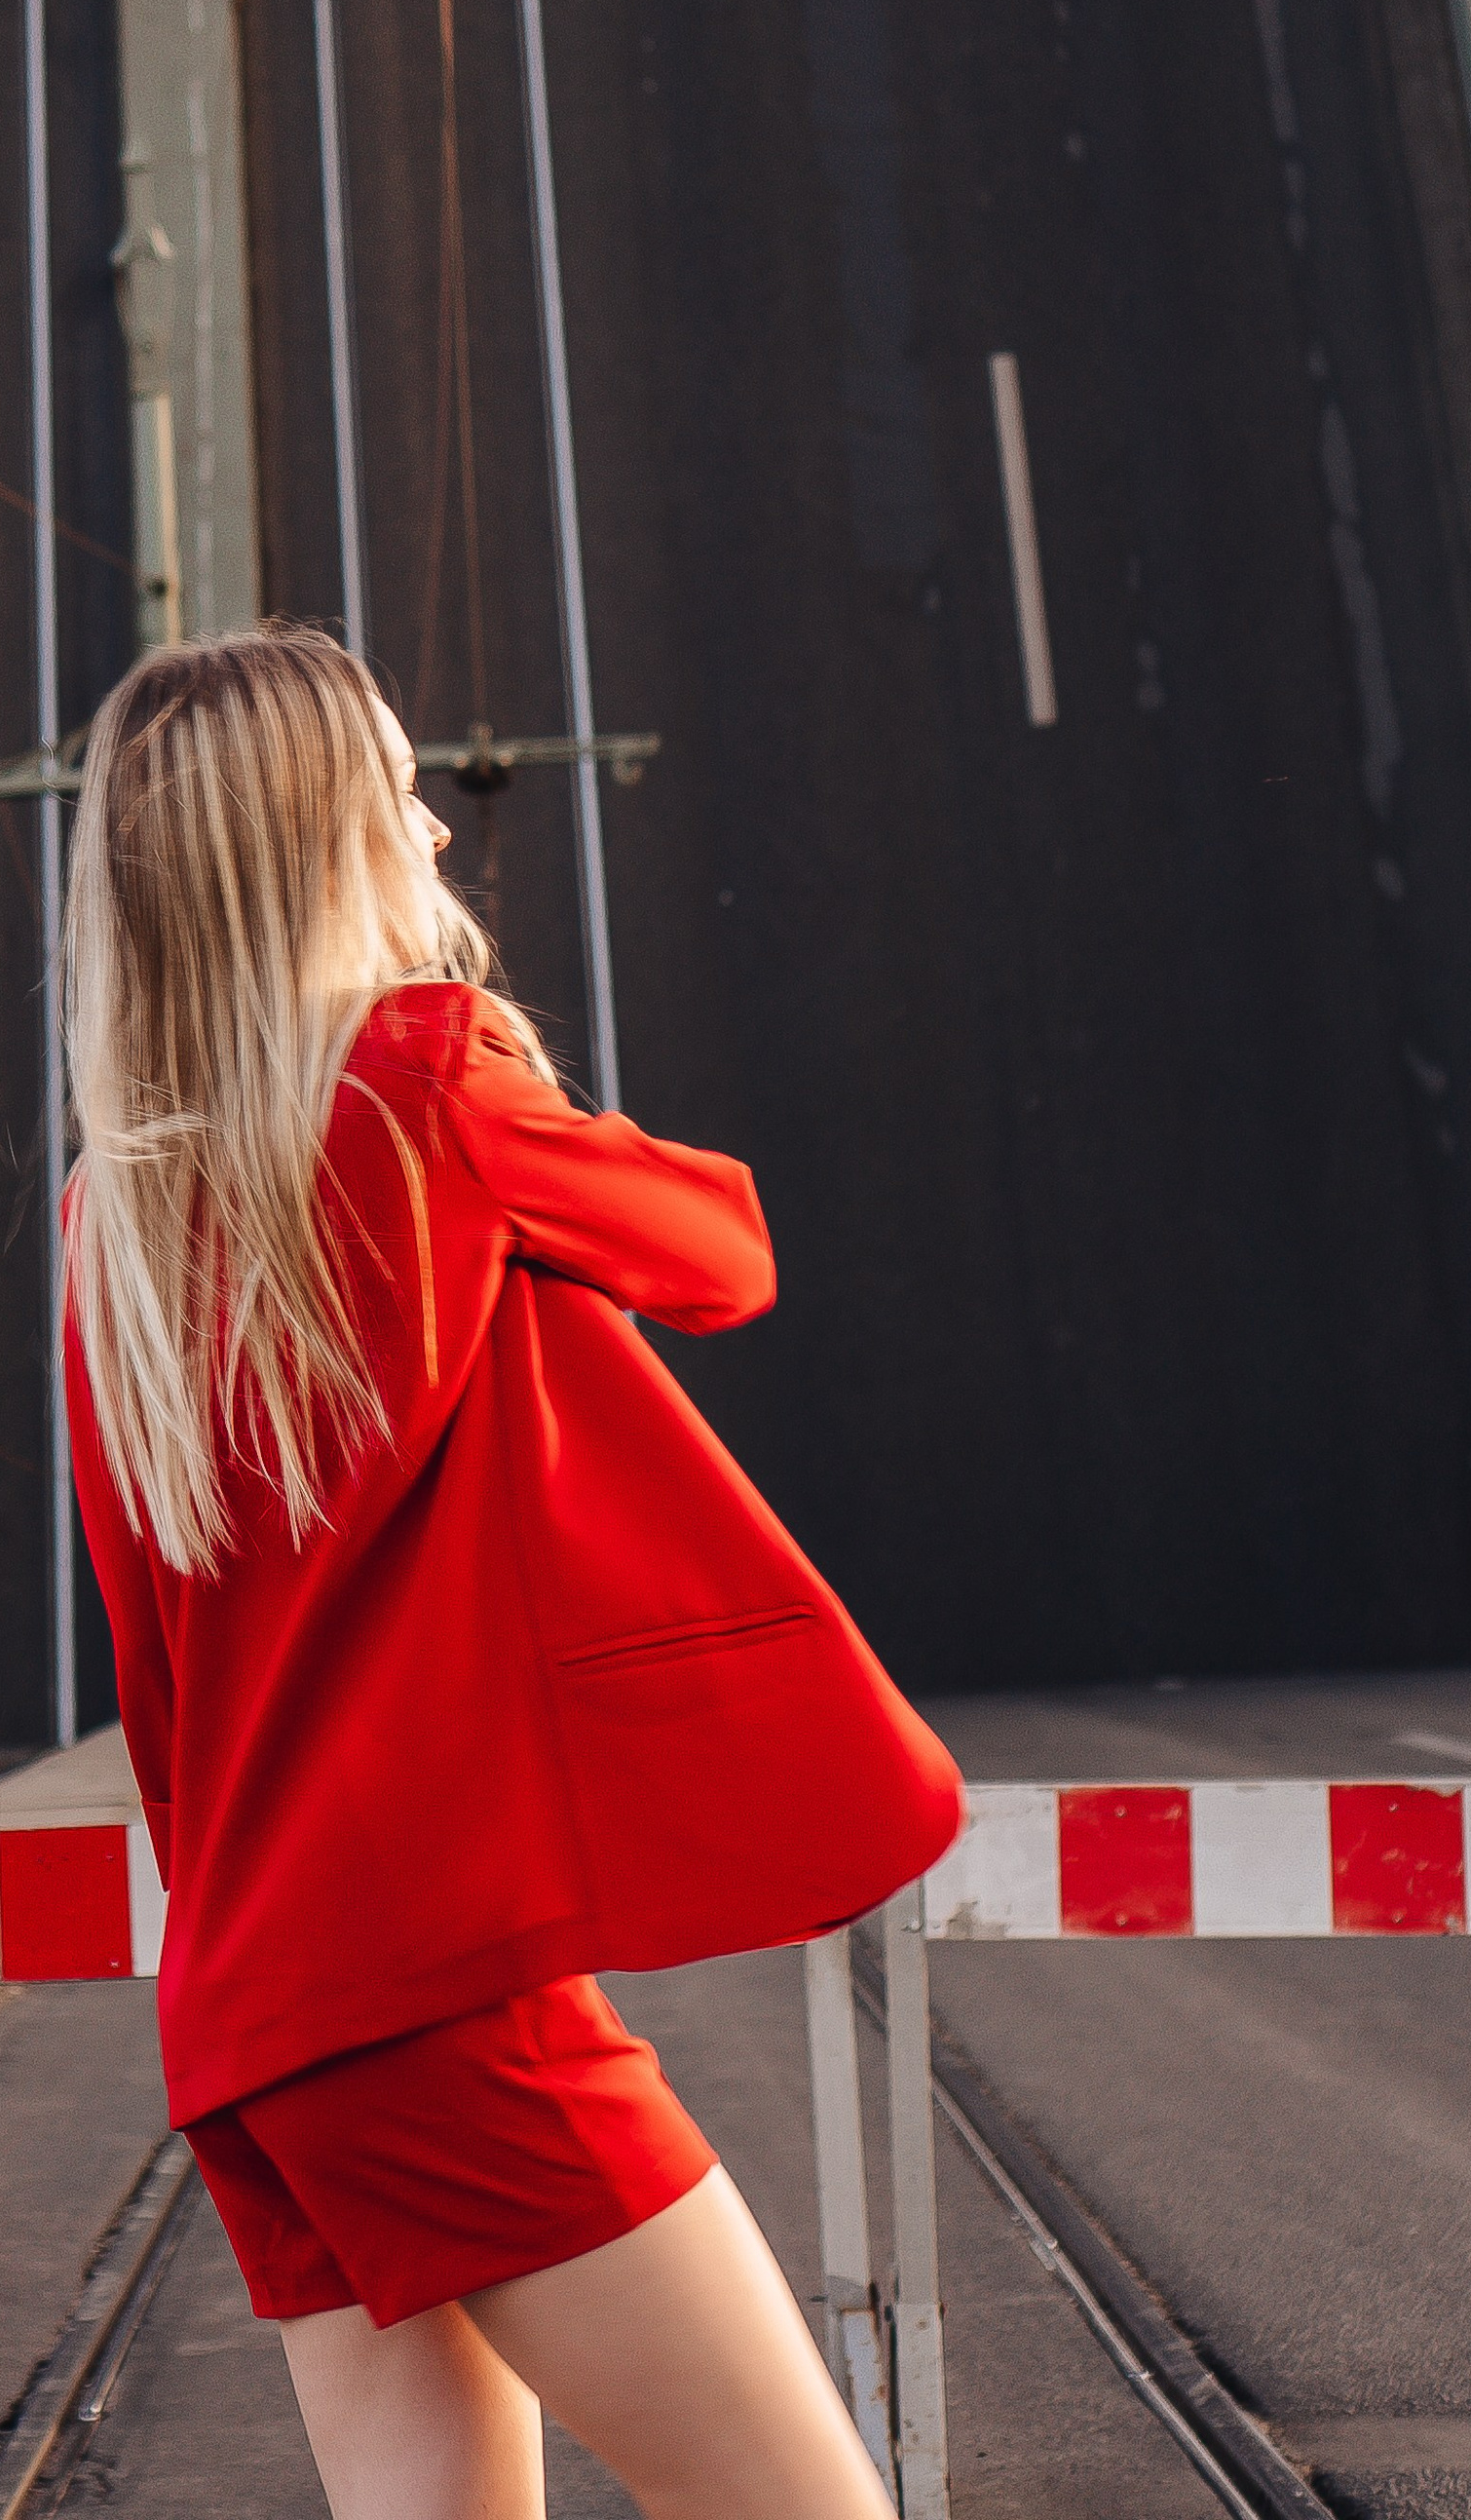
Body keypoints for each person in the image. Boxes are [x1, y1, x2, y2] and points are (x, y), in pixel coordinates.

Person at [62, 626, 962, 2520]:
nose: (436, 836)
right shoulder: (423, 1079)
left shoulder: (113, 1220)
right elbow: (717, 1252)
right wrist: (489, 1067)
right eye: (398, 795)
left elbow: (159, 1675)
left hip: (251, 2018)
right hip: (437, 2000)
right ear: (323, 844)